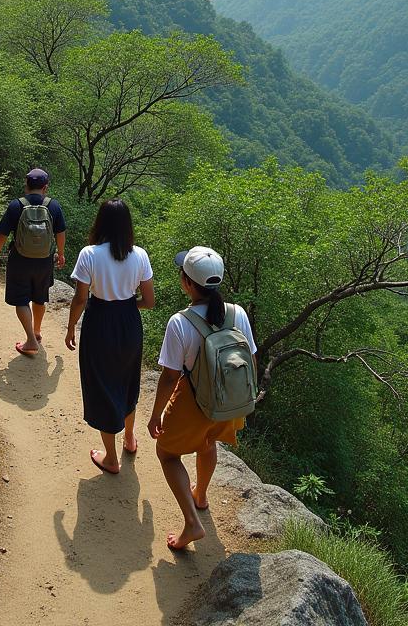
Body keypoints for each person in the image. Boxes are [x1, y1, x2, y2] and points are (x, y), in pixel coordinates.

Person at [148, 247, 259, 551]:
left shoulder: (180, 323)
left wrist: (156, 414)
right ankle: (201, 496)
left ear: (187, 283)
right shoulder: (238, 313)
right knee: (208, 443)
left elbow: (170, 377)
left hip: (194, 402)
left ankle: (191, 523)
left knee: (167, 453)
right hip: (229, 401)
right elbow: (250, 359)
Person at [65, 199, 155, 475]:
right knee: (127, 380)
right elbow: (149, 301)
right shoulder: (140, 255)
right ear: (128, 226)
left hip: (99, 322)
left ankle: (112, 459)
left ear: (99, 223)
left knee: (102, 384)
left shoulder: (89, 254)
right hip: (129, 323)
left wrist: (70, 328)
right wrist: (127, 307)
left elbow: (81, 298)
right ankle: (129, 439)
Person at [0, 168, 66, 357]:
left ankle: (30, 339)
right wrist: (61, 254)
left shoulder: (16, 205)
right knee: (40, 297)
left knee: (21, 299)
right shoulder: (53, 206)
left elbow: (3, 234)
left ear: (26, 185)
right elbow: (61, 233)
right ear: (45, 187)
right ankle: (36, 332)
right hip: (44, 261)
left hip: (20, 260)